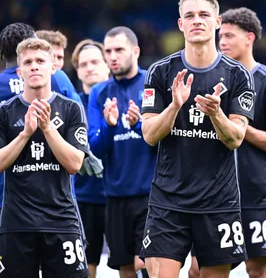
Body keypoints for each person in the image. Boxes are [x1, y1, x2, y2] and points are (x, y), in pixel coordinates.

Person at [140, 0, 255, 278]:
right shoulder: (161, 71)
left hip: (218, 201)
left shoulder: (239, 75)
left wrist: (216, 113)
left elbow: (236, 139)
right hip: (168, 201)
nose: (197, 21)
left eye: (204, 15)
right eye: (189, 16)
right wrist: (175, 106)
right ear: (180, 24)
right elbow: (150, 135)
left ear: (217, 22)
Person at [0, 38, 89, 278]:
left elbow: (74, 164)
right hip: (16, 223)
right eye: (28, 62)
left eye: (40, 61)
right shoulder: (5, 111)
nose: (34, 66)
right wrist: (25, 133)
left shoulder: (71, 109)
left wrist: (48, 128)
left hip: (61, 221)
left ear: (53, 67)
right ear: (19, 72)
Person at [217, 7, 266, 278]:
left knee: (257, 269)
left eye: (228, 35)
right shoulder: (215, 80)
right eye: (220, 36)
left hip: (256, 194)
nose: (222, 42)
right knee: (200, 270)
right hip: (215, 194)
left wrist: (234, 127)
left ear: (249, 38)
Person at [88, 26, 156, 278]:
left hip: (150, 196)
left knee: (147, 265)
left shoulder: (152, 81)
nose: (112, 56)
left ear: (135, 51)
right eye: (108, 51)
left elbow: (165, 140)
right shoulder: (99, 92)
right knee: (126, 269)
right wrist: (110, 125)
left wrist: (140, 124)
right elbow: (93, 151)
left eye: (119, 50)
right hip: (115, 197)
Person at [0, 22, 82, 214]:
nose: (34, 67)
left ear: (3, 53)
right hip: (57, 197)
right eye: (28, 62)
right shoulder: (59, 78)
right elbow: (79, 122)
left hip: (8, 200)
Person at [72, 39, 110, 278]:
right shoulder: (68, 105)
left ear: (107, 65)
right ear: (77, 71)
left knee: (134, 266)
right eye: (83, 64)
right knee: (86, 269)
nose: (89, 68)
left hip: (119, 196)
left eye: (95, 61)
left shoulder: (123, 98)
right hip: (83, 198)